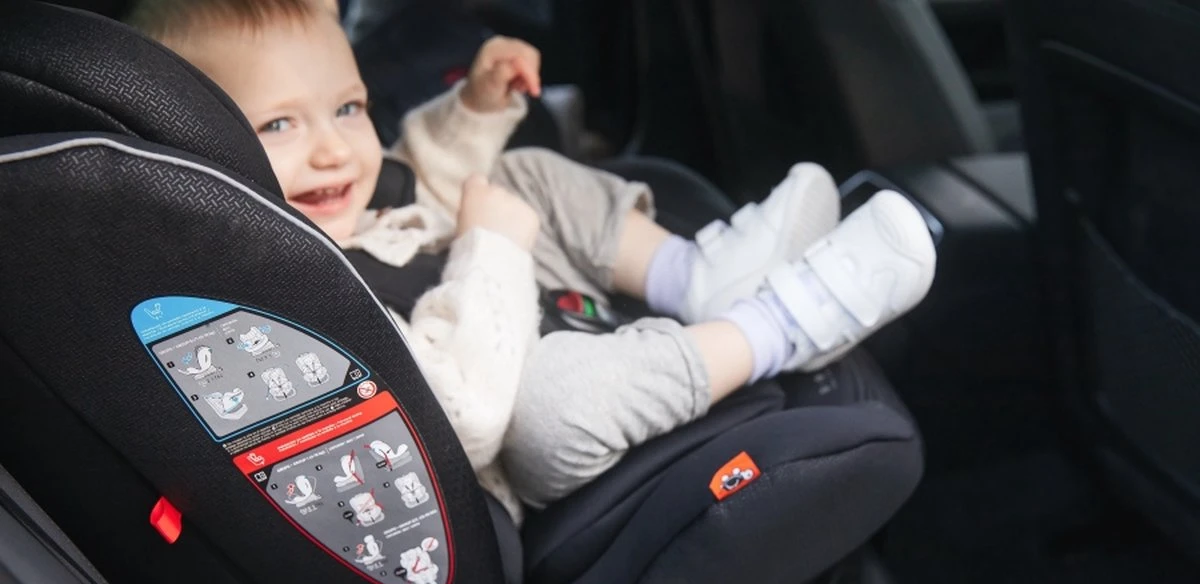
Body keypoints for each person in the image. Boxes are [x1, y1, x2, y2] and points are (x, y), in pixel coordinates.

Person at [126, 0, 937, 524]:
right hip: (514, 443)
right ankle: (781, 324)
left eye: (347, 107)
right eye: (279, 126)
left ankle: (691, 276)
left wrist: (477, 109)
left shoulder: (323, 204)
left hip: (500, 303)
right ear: (198, 156)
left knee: (515, 175)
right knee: (558, 399)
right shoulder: (293, 302)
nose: (335, 148)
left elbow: (419, 177)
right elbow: (469, 417)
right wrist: (495, 246)